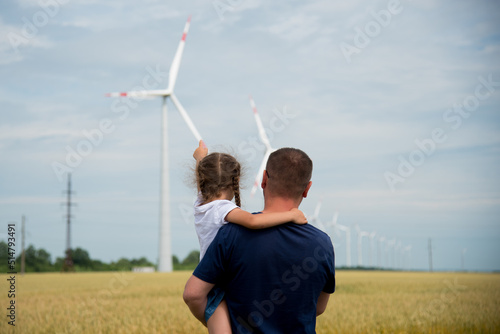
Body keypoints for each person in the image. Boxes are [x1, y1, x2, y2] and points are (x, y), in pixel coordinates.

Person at [184, 147, 335, 333]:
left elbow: (193, 294)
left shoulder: (230, 233)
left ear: (263, 180)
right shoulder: (323, 244)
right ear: (307, 189)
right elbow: (318, 307)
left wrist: (200, 159)